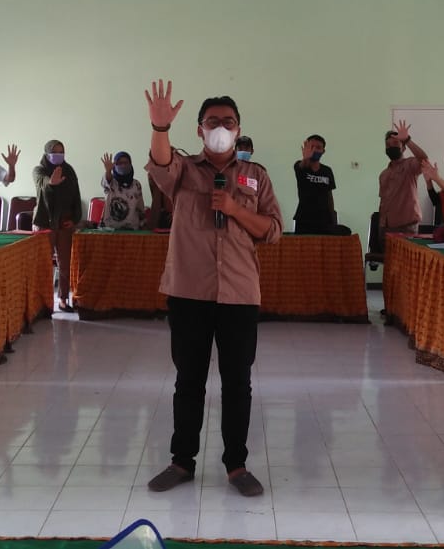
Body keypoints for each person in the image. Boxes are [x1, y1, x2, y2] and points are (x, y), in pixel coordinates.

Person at [142, 80, 282, 498]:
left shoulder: (256, 176)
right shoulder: (184, 171)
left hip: (239, 294)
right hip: (189, 292)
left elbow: (272, 230)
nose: (221, 127)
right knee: (189, 381)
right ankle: (181, 462)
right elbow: (160, 163)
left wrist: (235, 208)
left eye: (228, 122)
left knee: (238, 383)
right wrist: (160, 127)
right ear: (200, 129)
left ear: (239, 129)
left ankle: (237, 466)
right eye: (212, 121)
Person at [32, 139, 83, 310]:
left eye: (61, 152)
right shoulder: (39, 170)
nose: (59, 155)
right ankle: (42, 302)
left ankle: (63, 299)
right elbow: (41, 182)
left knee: (64, 264)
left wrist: (75, 219)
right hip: (45, 223)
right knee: (43, 264)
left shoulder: (69, 170)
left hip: (64, 223)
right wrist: (51, 183)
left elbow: (76, 195)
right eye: (55, 152)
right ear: (47, 153)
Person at [377, 121, 429, 235]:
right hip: (385, 226)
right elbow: (383, 201)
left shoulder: (410, 165)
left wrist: (407, 140)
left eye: (395, 143)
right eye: (388, 145)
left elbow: (424, 160)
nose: (391, 147)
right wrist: (380, 224)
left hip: (407, 226)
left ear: (403, 148)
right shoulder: (384, 174)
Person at [292, 134, 344, 234]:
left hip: (325, 220)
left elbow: (330, 196)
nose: (314, 150)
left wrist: (333, 219)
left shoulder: (327, 170)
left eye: (318, 147)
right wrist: (306, 158)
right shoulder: (300, 166)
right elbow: (302, 166)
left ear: (323, 151)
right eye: (311, 147)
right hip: (304, 219)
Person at [100, 151, 145, 230]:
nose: (123, 165)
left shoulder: (136, 184)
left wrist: (143, 224)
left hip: (132, 229)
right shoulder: (111, 183)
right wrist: (108, 171)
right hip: (110, 229)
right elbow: (107, 180)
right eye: (119, 163)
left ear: (130, 164)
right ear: (114, 165)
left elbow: (140, 207)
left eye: (126, 163)